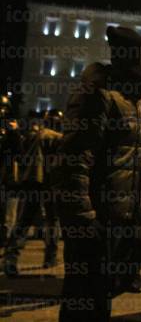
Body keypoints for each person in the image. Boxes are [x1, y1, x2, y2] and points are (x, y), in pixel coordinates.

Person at [53, 26, 141, 322]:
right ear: (133, 61)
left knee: (100, 298)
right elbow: (75, 162)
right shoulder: (98, 96)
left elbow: (133, 157)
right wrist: (84, 221)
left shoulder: (131, 99)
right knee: (83, 303)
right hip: (95, 221)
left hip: (115, 220)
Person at [3, 109, 63, 276]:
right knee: (52, 220)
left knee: (24, 221)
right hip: (49, 183)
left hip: (31, 181)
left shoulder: (31, 136)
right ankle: (50, 257)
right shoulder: (56, 138)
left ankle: (10, 258)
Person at [0, 95, 22, 249]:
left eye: (4, 109)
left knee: (6, 210)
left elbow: (18, 152)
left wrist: (14, 133)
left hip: (5, 174)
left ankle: (4, 238)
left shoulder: (11, 129)